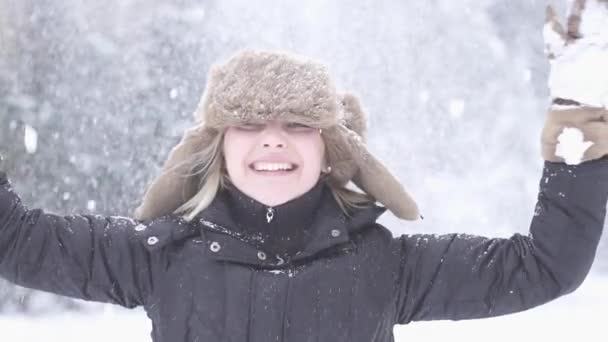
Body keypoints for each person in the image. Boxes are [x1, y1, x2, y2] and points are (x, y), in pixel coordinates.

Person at [1, 1, 608, 341]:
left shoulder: (387, 266)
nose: (273, 140)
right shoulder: (157, 256)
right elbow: (14, 241)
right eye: (250, 124)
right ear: (217, 144)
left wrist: (578, 117)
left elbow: (544, 267)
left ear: (329, 148)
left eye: (297, 125)